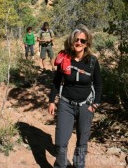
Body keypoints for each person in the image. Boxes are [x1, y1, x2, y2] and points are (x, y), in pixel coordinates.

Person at [48, 24, 103, 168]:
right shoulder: (64, 58)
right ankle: (61, 165)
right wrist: (51, 101)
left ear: (87, 44)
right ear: (72, 41)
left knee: (82, 142)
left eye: (82, 41)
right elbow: (56, 81)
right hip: (66, 104)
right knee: (60, 142)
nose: (79, 43)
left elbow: (98, 84)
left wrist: (95, 104)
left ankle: (79, 166)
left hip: (86, 105)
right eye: (76, 39)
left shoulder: (92, 61)